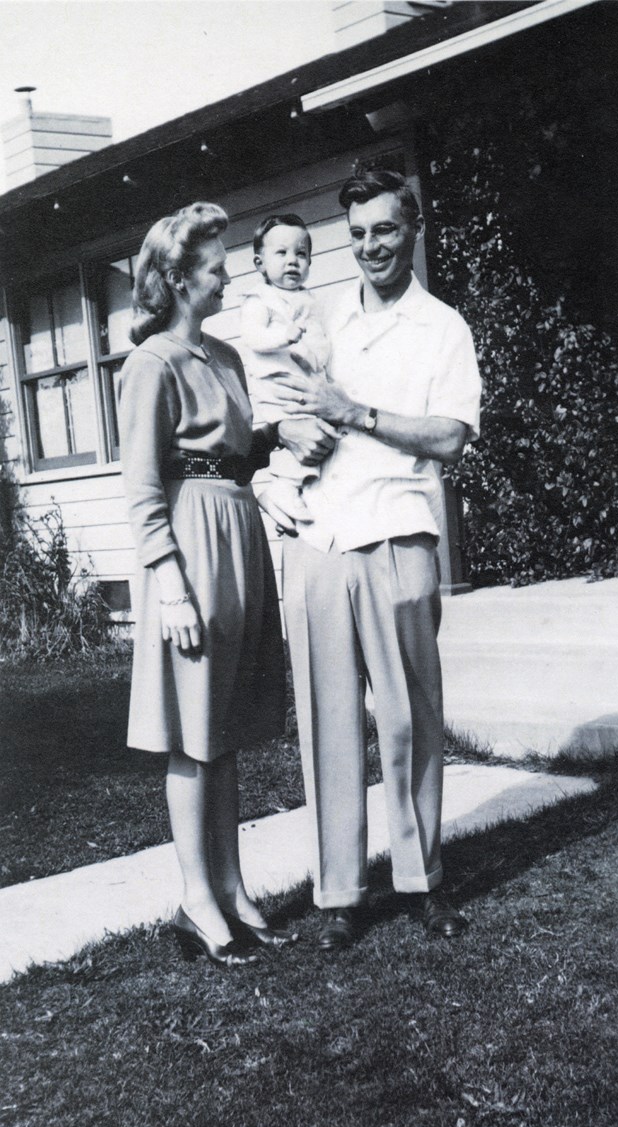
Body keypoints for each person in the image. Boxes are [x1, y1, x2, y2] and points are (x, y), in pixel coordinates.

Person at [269, 169, 482, 950]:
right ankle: (340, 896)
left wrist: (355, 412)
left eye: (384, 231)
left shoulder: (442, 328)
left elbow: (451, 436)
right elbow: (285, 405)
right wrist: (286, 436)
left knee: (409, 720)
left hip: (398, 532)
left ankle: (423, 880)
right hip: (321, 538)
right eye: (356, 234)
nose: (370, 247)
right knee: (328, 723)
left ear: (413, 229)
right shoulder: (324, 318)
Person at [118, 201, 294, 969]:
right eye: (216, 265)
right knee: (193, 735)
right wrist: (170, 583)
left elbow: (232, 449)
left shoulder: (223, 355)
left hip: (239, 532)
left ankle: (231, 886)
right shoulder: (151, 363)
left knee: (224, 729)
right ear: (180, 277)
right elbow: (142, 482)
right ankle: (196, 900)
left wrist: (278, 435)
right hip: (190, 542)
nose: (229, 274)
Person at [239, 213, 330, 523]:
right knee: (300, 434)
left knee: (320, 436)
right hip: (276, 386)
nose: (293, 261)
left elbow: (321, 342)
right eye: (282, 252)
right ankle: (283, 489)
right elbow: (252, 337)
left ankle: (284, 493)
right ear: (259, 262)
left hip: (305, 383)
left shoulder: (311, 301)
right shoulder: (260, 299)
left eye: (301, 254)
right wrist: (283, 336)